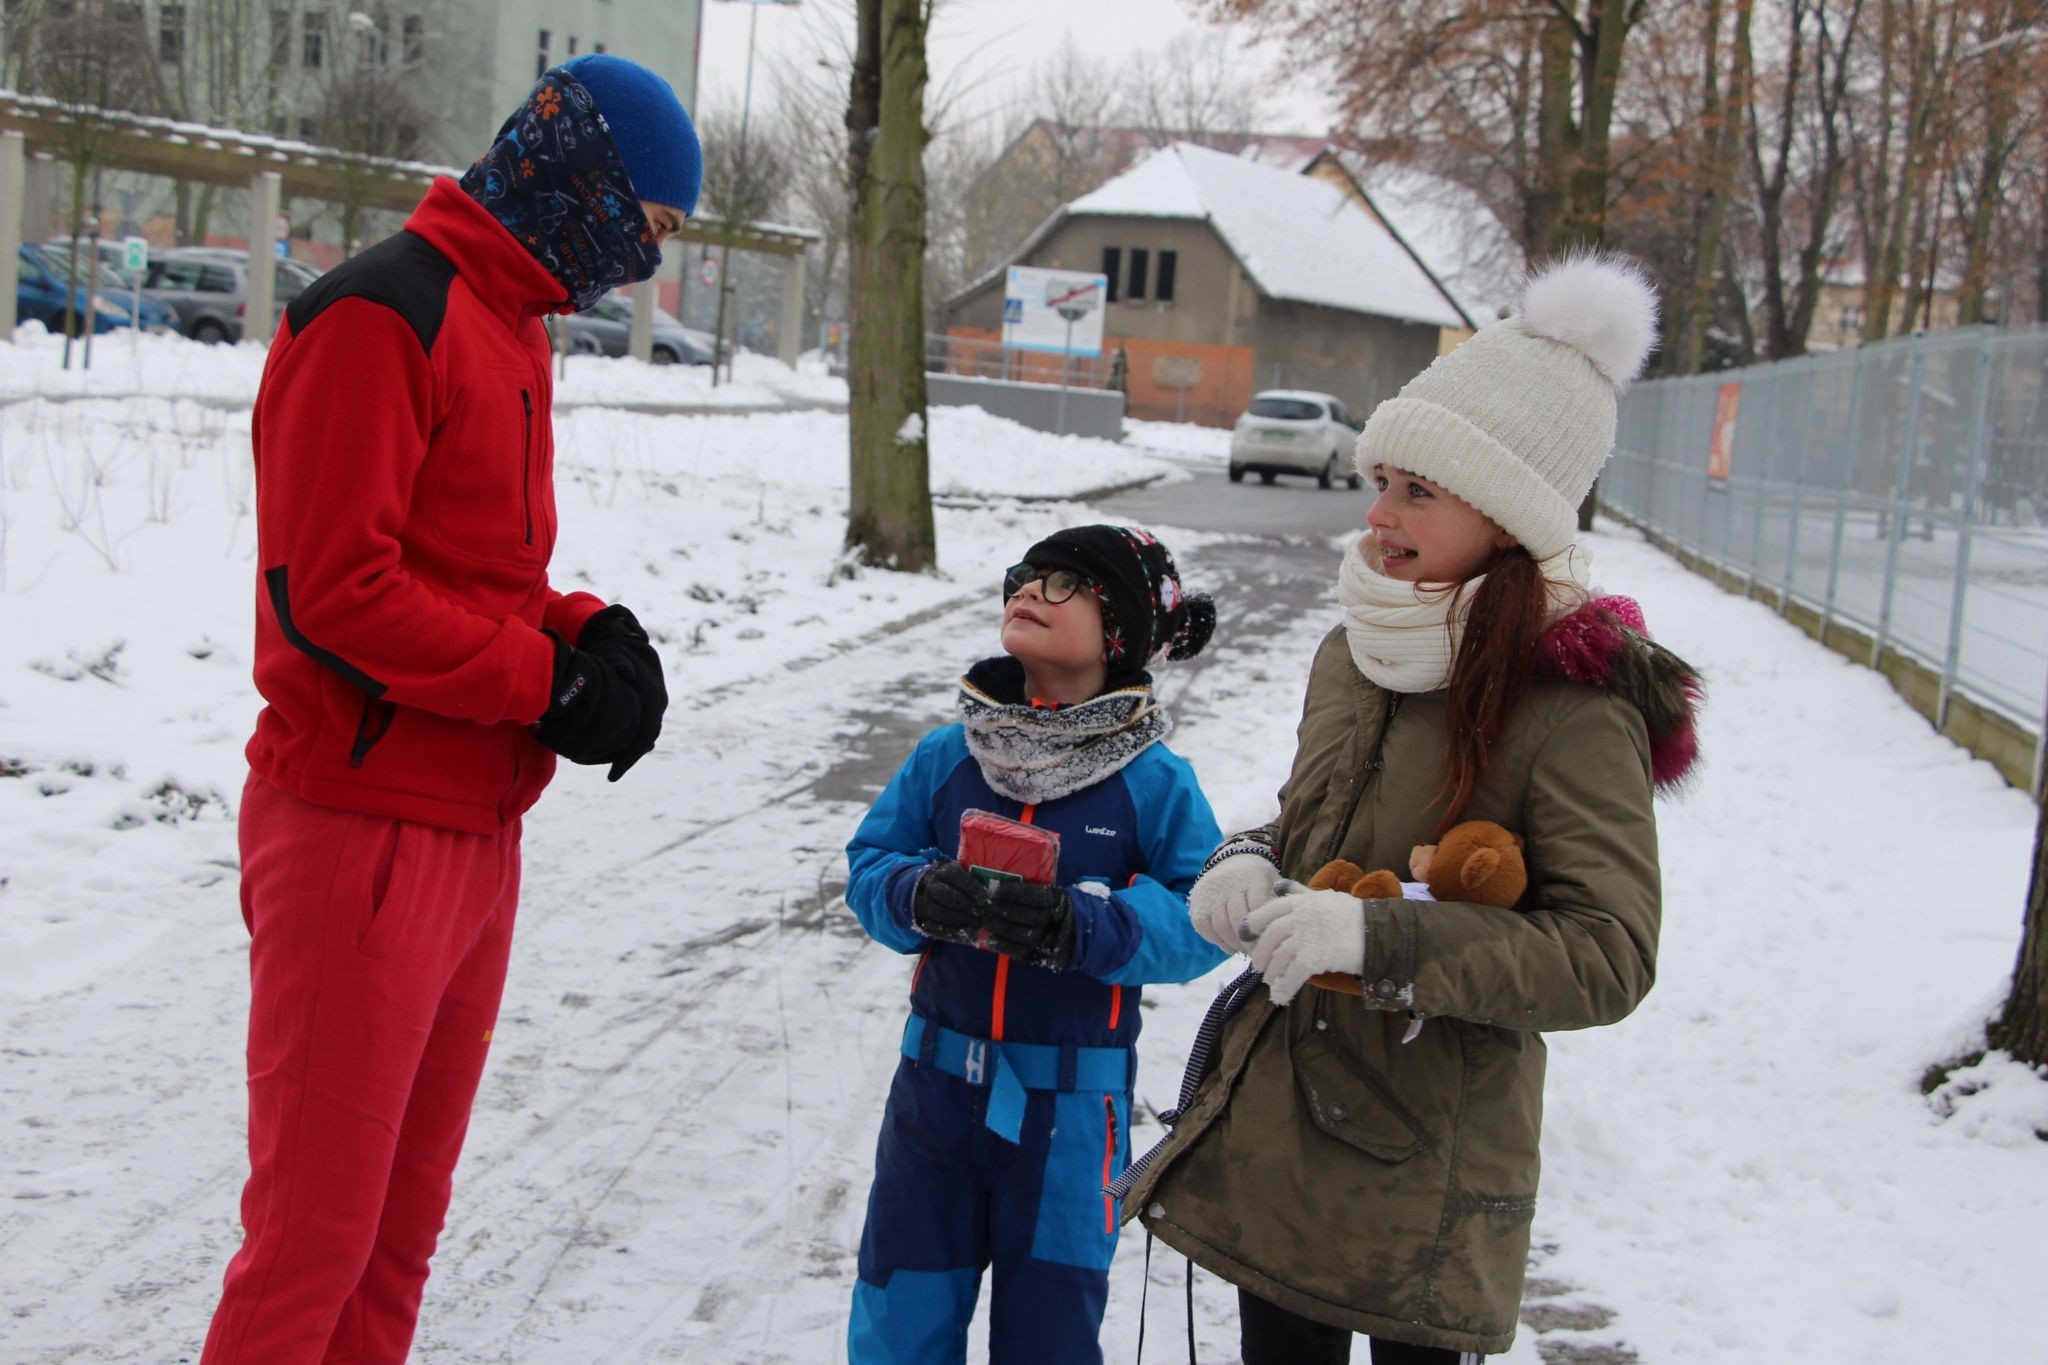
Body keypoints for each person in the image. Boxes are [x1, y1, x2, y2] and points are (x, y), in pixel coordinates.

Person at [1114, 254, 1704, 1364]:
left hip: (1426, 1169)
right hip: (1286, 1124)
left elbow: (1606, 953)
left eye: (1415, 491)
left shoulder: (1574, 703)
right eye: (1379, 478)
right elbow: (1314, 825)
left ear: (1509, 512)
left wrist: (1376, 940)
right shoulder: (1358, 648)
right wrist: (1247, 859)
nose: (1375, 513)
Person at [201, 56, 700, 1363]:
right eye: (649, 226)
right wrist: (546, 680)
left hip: (476, 831)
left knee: (395, 1242)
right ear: (585, 181)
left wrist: (578, 625)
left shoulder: (511, 323)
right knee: (311, 1242)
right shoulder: (382, 314)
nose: (645, 262)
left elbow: (478, 574)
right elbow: (337, 592)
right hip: (355, 829)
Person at [844, 526, 1231, 1364]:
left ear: (1119, 630)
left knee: (1049, 1337)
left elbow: (1205, 913)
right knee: (897, 1318)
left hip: (1068, 1112)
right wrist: (913, 892)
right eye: (1025, 575)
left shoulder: (1153, 781)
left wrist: (1084, 927)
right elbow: (869, 865)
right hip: (934, 1097)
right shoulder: (949, 756)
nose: (1029, 589)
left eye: (1065, 583)